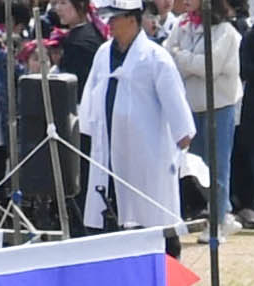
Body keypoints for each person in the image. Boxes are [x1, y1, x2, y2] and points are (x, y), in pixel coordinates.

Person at [76, 0, 197, 228]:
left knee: (149, 216)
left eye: (115, 19)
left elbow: (177, 106)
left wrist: (182, 138)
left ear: (132, 20)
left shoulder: (156, 57)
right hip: (108, 149)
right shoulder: (103, 53)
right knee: (109, 214)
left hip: (146, 153)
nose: (109, 24)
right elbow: (91, 95)